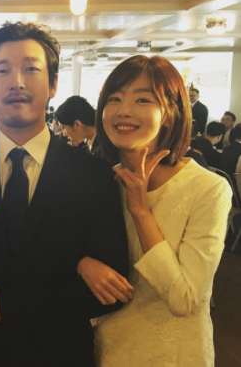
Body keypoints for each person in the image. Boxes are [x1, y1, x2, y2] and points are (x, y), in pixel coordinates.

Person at [0, 22, 128, 367]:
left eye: (31, 69)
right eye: (2, 71)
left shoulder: (93, 175)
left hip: (59, 353)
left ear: (53, 84)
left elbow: (112, 291)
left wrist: (8, 307)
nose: (17, 82)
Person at [77, 55, 231, 367]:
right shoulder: (98, 181)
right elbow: (61, 247)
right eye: (114, 99)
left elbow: (184, 299)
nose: (123, 110)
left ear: (170, 115)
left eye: (142, 99)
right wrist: (80, 262)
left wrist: (141, 212)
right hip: (103, 350)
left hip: (172, 356)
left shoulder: (208, 188)